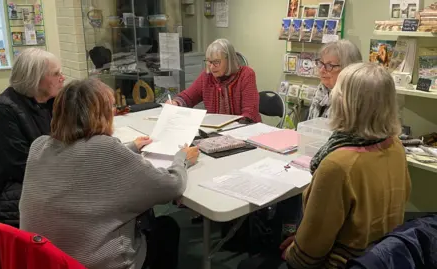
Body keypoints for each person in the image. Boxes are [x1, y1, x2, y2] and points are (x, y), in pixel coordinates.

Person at [240, 63, 411, 269]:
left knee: (250, 265)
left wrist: (296, 247)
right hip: (382, 256)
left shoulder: (338, 165)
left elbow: (310, 251)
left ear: (343, 103)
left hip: (343, 262)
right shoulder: (395, 146)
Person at [19, 78, 200, 269]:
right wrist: (183, 159)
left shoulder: (39, 146)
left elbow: (82, 160)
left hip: (43, 260)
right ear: (99, 114)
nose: (114, 112)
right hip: (94, 263)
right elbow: (171, 186)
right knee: (166, 228)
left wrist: (130, 147)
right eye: (111, 107)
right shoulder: (106, 149)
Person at [0, 48, 64, 227]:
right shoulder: (4, 111)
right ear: (35, 79)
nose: (63, 78)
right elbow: (22, 166)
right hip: (10, 195)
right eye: (56, 74)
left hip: (37, 181)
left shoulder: (47, 101)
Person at [167, 38, 261, 123]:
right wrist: (176, 103)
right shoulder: (207, 76)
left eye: (216, 62)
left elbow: (249, 113)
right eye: (208, 61)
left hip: (245, 130)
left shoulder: (246, 74)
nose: (211, 67)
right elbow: (188, 97)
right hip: (217, 132)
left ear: (229, 60)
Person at [308, 39, 362, 120]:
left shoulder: (352, 99)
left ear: (348, 68)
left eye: (330, 65)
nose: (322, 70)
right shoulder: (322, 90)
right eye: (321, 63)